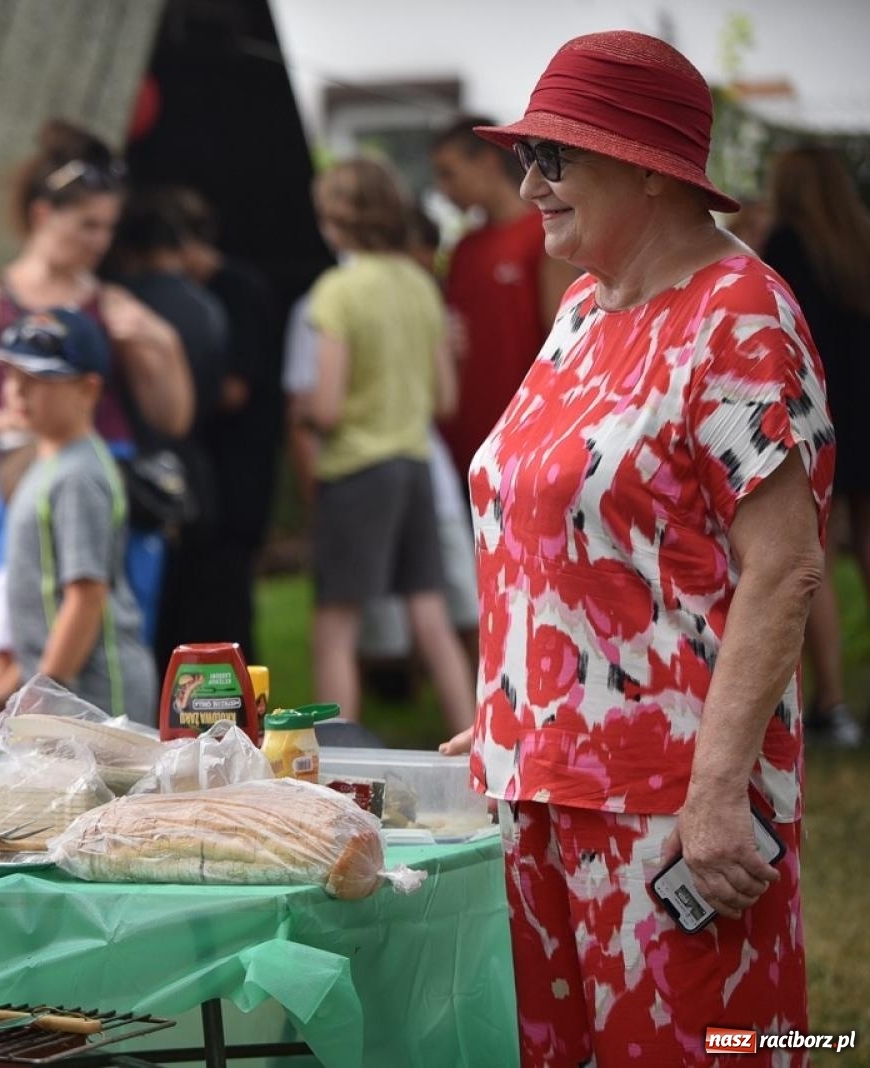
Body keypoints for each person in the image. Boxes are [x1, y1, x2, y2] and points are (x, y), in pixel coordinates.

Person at [454, 31, 832, 1064]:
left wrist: (715, 794)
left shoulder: (739, 318)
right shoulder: (583, 310)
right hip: (536, 782)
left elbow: (786, 567)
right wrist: (508, 708)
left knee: (703, 1050)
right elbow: (552, 521)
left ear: (649, 168)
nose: (528, 184)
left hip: (667, 804)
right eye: (522, 156)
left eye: (552, 156)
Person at [0, 119, 191, 711]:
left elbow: (172, 417)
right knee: (12, 621)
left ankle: (92, 722)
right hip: (20, 476)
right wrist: (20, 416)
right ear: (43, 215)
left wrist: (163, 342)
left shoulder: (109, 303)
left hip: (99, 471)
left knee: (99, 611)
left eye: (108, 227)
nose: (100, 242)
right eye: (87, 225)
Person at [300, 157, 476, 733]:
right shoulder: (420, 285)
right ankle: (475, 748)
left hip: (357, 471)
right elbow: (444, 400)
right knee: (430, 613)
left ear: (333, 222)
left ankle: (334, 760)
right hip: (415, 464)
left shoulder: (337, 290)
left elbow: (325, 405)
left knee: (335, 627)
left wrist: (306, 411)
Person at [0, 308, 157, 722]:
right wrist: (6, 692)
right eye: (11, 377)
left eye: (38, 380)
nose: (17, 392)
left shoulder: (79, 474)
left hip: (97, 698)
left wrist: (42, 693)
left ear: (88, 390)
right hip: (63, 691)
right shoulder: (48, 463)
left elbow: (85, 597)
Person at [763, 145, 870, 748]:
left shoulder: (785, 244)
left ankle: (831, 702)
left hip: (820, 411)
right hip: (866, 404)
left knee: (815, 556)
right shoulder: (860, 238)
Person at [102, 188, 231, 668]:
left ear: (130, 252)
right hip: (196, 467)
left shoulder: (124, 309)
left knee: (142, 609)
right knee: (196, 611)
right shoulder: (208, 308)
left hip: (139, 471)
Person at [171, 187, 285, 661]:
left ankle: (239, 688)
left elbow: (236, 388)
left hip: (239, 464)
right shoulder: (202, 293)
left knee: (230, 590)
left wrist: (173, 400)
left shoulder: (238, 290)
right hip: (214, 466)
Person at [431, 115, 576, 479]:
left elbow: (562, 341)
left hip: (525, 432)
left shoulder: (543, 234)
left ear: (487, 162)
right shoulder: (463, 248)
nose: (444, 189)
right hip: (465, 434)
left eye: (449, 173)